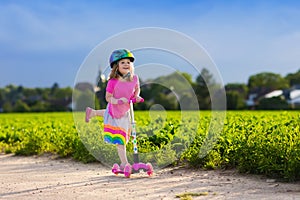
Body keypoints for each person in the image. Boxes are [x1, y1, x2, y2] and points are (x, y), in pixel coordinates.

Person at [85, 49, 143, 169]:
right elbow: (108, 97)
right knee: (120, 139)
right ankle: (124, 163)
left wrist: (136, 96)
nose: (126, 64)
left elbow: (137, 89)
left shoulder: (135, 78)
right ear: (116, 67)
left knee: (128, 136)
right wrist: (117, 101)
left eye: (128, 62)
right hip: (116, 110)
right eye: (123, 62)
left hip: (126, 111)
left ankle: (92, 113)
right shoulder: (113, 82)